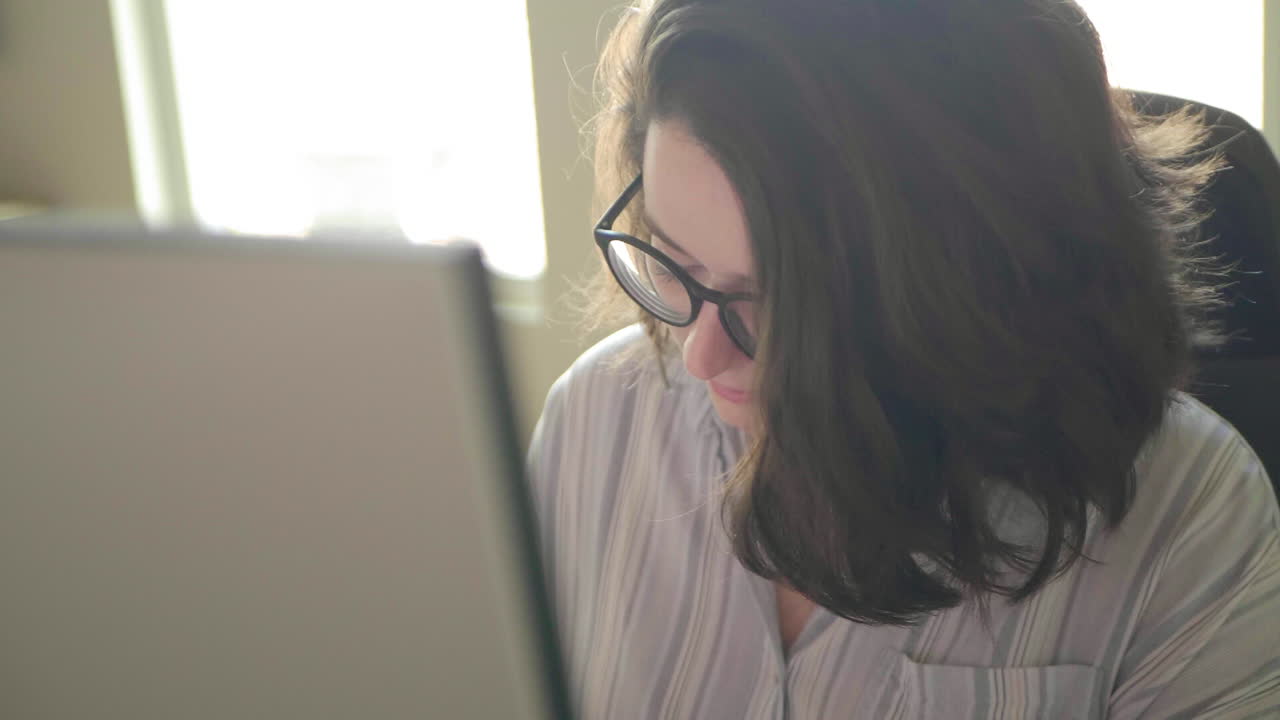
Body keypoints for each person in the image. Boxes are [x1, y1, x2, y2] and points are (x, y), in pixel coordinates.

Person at [527, 0, 1280, 717]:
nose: (700, 356)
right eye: (676, 262)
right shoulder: (598, 420)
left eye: (780, 303)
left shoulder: (1187, 520)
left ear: (976, 285)